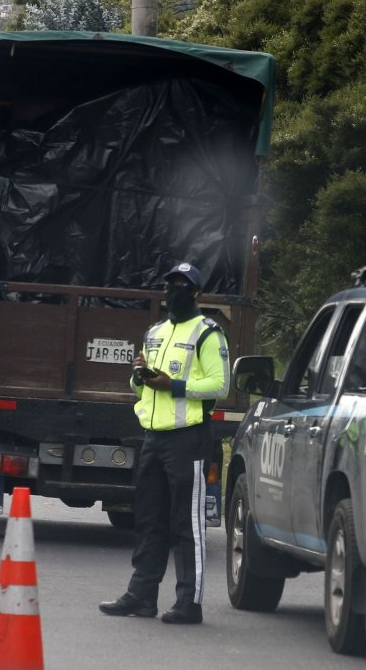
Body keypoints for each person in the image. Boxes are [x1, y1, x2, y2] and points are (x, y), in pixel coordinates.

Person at [100, 263, 230, 625]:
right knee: (148, 520)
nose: (174, 291)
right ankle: (141, 595)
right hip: (153, 437)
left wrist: (172, 385)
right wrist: (138, 374)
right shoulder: (155, 332)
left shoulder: (208, 333)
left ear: (196, 293)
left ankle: (189, 603)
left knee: (185, 523)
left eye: (183, 286)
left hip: (188, 438)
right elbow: (140, 387)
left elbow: (221, 386)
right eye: (170, 284)